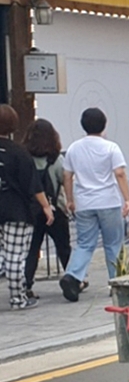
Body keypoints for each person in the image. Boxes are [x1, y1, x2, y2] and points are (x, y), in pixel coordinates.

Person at [60, 107, 129, 302]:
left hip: (84, 203)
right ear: (104, 124)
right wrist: (127, 198)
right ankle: (117, 282)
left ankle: (72, 276)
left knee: (84, 243)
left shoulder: (74, 148)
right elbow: (120, 173)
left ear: (83, 125)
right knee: (114, 244)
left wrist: (70, 199)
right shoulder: (111, 148)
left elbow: (67, 176)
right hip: (108, 201)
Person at [0, 105, 54, 311]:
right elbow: (33, 185)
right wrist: (46, 207)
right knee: (15, 256)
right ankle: (18, 299)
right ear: (13, 125)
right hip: (17, 211)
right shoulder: (19, 153)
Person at [22, 118, 72, 299]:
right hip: (55, 209)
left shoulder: (25, 159)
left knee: (32, 249)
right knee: (63, 247)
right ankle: (73, 279)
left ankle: (26, 284)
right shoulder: (56, 160)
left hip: (32, 211)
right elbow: (63, 181)